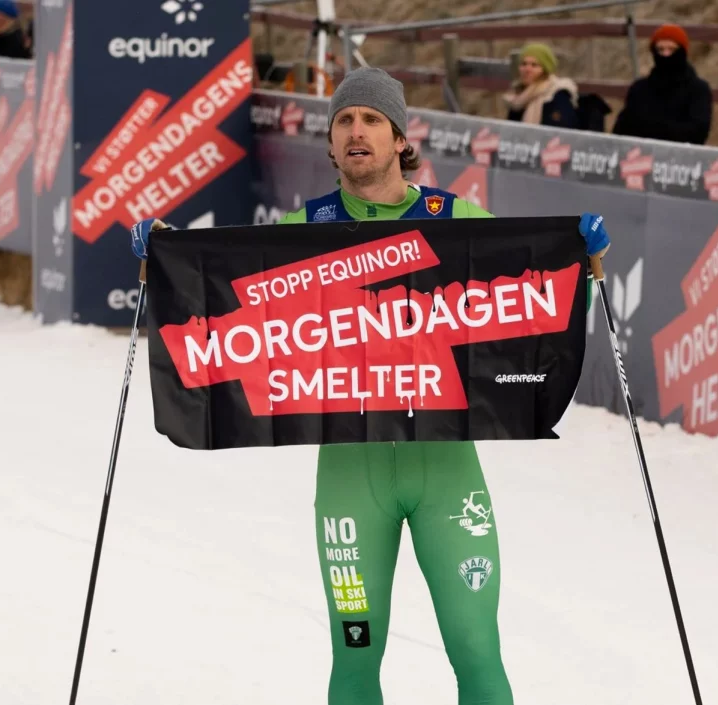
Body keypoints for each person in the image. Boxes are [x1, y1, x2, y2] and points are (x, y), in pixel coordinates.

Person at [127, 67, 612, 705]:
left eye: (372, 121)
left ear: (399, 138)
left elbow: (525, 280)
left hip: (447, 477)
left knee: (476, 650)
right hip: (350, 485)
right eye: (345, 122)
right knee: (355, 656)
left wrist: (579, 252)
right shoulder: (307, 228)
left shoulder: (452, 217)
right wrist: (163, 256)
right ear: (331, 145)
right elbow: (220, 288)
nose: (357, 132)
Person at [612, 22, 713, 145]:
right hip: (639, 159)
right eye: (660, 49)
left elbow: (697, 133)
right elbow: (621, 129)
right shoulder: (639, 89)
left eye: (672, 49)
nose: (666, 55)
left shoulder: (698, 90)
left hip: (681, 161)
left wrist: (649, 128)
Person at [503, 42, 579, 129]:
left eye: (534, 65)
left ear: (545, 69)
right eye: (524, 64)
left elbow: (562, 131)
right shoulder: (517, 94)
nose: (527, 69)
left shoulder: (557, 94)